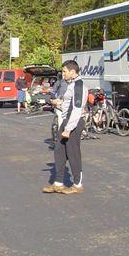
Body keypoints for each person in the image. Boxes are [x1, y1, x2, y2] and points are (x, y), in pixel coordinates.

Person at [43, 60, 88, 195]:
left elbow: (77, 109)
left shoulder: (78, 86)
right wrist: (59, 103)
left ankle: (77, 184)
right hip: (66, 121)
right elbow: (69, 105)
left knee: (73, 153)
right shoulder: (71, 84)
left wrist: (68, 129)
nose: (63, 74)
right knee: (59, 151)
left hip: (74, 123)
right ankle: (58, 183)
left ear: (72, 72)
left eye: (64, 71)